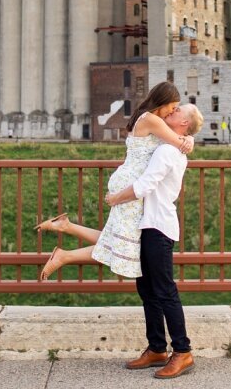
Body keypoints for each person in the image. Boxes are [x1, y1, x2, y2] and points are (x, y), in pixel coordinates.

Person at [36, 82, 194, 280]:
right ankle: (63, 255)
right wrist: (190, 140)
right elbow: (180, 143)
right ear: (162, 102)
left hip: (128, 180)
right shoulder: (153, 120)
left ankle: (65, 229)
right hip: (132, 185)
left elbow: (176, 140)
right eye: (172, 107)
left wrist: (188, 139)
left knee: (118, 238)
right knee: (122, 243)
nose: (172, 112)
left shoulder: (145, 117)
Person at [112, 103, 203, 379]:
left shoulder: (167, 151)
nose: (170, 113)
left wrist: (115, 198)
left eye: (177, 112)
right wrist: (190, 140)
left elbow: (145, 185)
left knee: (163, 291)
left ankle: (183, 352)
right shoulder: (172, 145)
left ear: (183, 124)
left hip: (158, 227)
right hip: (150, 225)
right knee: (148, 288)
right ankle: (156, 349)